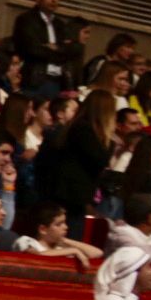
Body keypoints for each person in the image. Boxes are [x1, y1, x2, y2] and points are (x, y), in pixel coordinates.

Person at [46, 89, 116, 219]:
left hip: (76, 195)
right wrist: (110, 141)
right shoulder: (83, 129)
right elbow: (100, 159)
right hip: (69, 194)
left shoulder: (81, 127)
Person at [12, 0, 80, 98]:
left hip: (57, 82)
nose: (54, 0)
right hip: (34, 81)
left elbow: (71, 50)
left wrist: (52, 48)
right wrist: (57, 49)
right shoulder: (26, 20)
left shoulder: (60, 24)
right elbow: (31, 49)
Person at [13, 201, 102, 267]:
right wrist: (73, 251)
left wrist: (65, 240)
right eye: (59, 224)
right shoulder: (26, 241)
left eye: (65, 223)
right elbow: (38, 256)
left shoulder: (60, 247)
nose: (66, 227)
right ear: (43, 229)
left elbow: (97, 253)